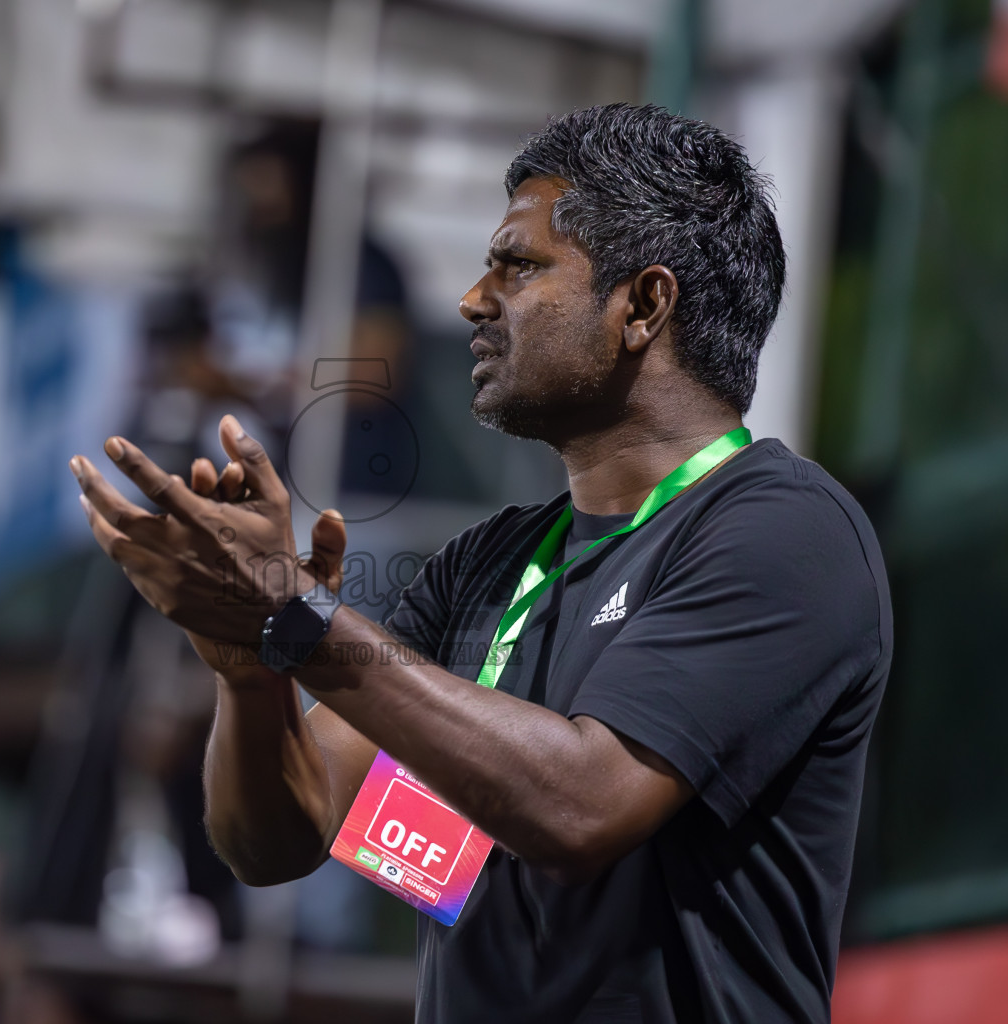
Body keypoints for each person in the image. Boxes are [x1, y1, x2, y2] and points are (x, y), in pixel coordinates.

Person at [70, 103, 892, 1023]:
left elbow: (582, 808)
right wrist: (244, 666)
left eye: (520, 265)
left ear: (644, 306)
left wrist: (297, 620)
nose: (472, 298)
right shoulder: (482, 567)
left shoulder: (783, 531)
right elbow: (281, 839)